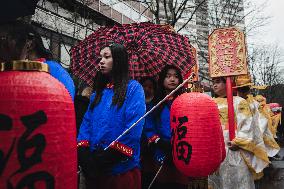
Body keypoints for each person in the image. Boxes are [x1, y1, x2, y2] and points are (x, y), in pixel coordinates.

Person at [77, 42, 146, 189]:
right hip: (94, 171)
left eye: (107, 57)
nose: (101, 61)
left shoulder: (134, 89)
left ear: (119, 60)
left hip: (121, 172)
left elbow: (133, 129)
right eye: (100, 57)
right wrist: (84, 155)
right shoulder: (97, 93)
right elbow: (86, 124)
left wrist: (108, 157)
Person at [208, 77, 269, 189]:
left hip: (234, 146)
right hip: (216, 147)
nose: (214, 85)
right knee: (219, 180)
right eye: (213, 83)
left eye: (218, 82)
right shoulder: (210, 103)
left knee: (238, 178)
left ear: (228, 82)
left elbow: (247, 124)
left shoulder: (239, 102)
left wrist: (239, 142)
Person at [0, 20, 75, 100]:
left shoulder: (54, 71)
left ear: (29, 44)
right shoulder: (13, 70)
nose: (1, 48)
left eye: (3, 40)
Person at [144, 65, 188, 189]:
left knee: (180, 184)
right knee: (162, 183)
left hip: (181, 150)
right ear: (162, 79)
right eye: (168, 76)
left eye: (175, 76)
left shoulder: (186, 102)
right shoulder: (155, 103)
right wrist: (158, 142)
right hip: (161, 150)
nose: (172, 79)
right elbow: (149, 127)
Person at [234, 75, 280, 159]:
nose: (243, 92)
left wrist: (257, 133)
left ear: (249, 89)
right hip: (237, 134)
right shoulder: (234, 102)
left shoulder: (254, 104)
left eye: (245, 89)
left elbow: (262, 119)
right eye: (240, 89)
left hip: (253, 134)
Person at [139, 77, 158, 189]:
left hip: (152, 147)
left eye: (150, 87)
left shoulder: (155, 106)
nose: (147, 89)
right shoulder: (134, 104)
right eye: (144, 86)